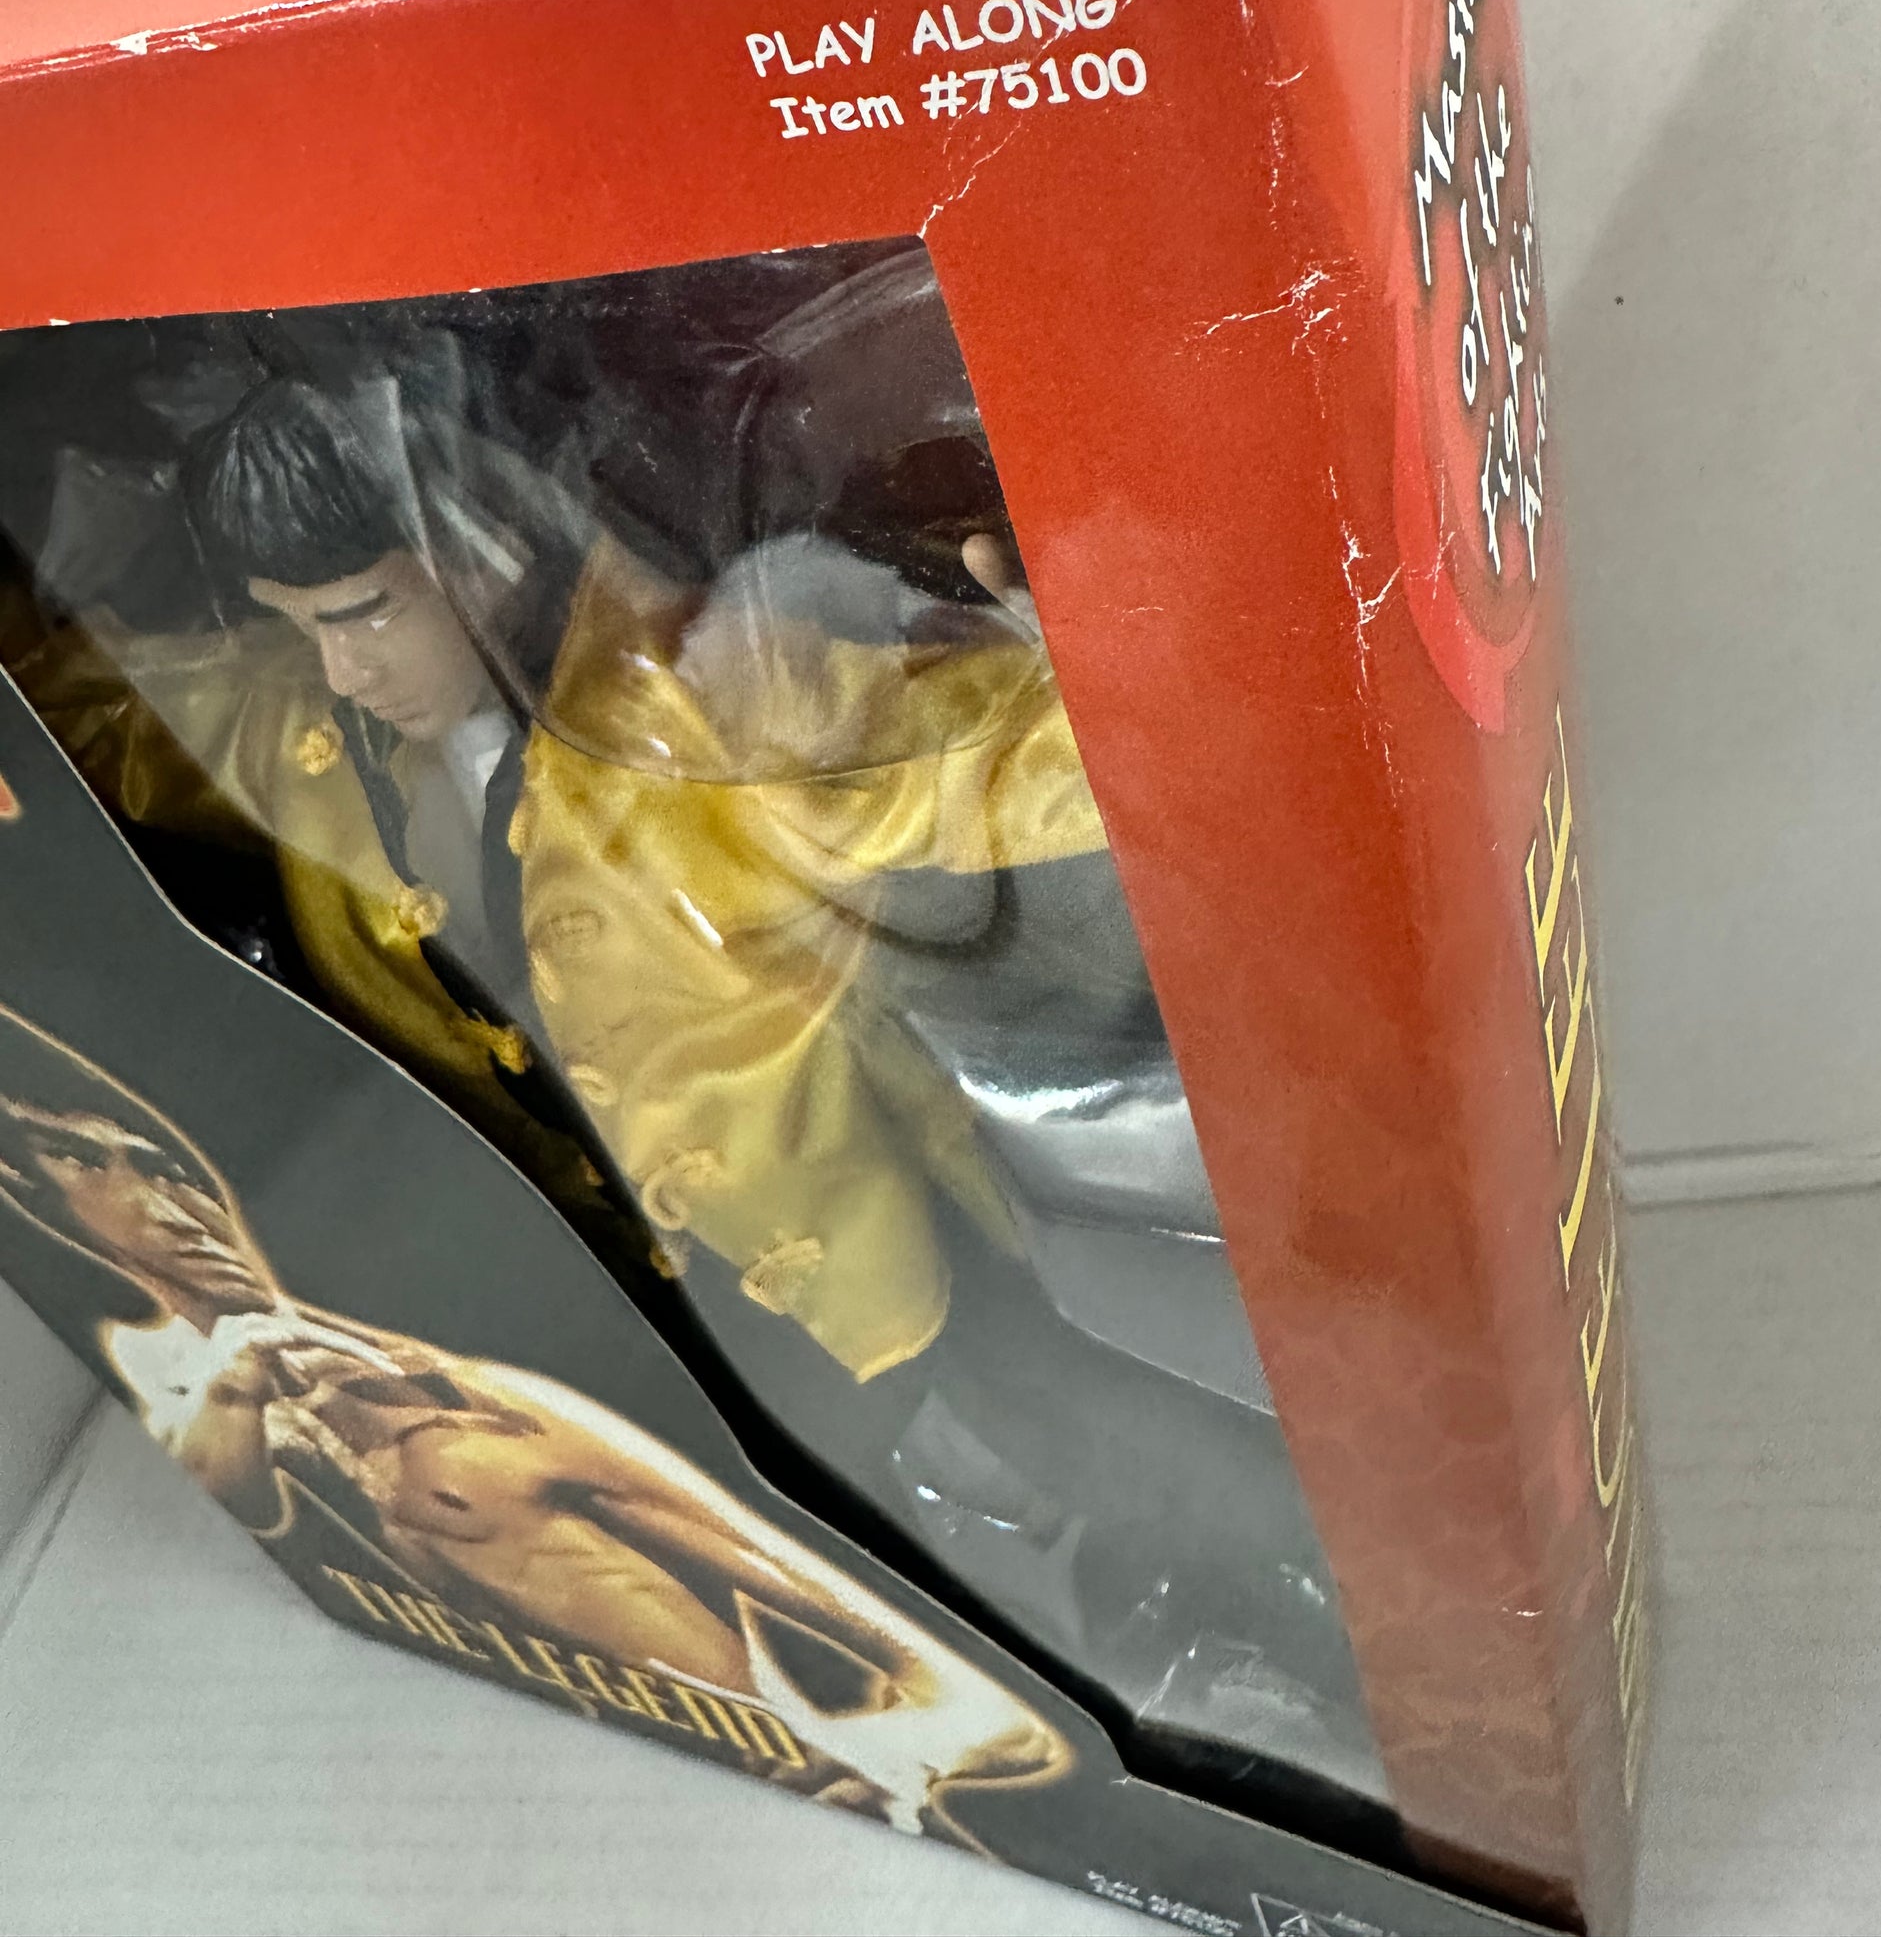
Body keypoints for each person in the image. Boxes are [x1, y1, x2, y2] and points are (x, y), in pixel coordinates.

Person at [1, 322, 1389, 1809]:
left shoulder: (688, 721)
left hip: (834, 1249)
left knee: (1070, 1433)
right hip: (600, 1295)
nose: (342, 664)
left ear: (477, 552)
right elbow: (109, 716)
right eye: (301, 623)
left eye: (365, 610)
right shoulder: (313, 734)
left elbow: (977, 764)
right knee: (817, 1545)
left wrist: (1110, 643)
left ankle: (1330, 1659)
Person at [0, 1004, 1066, 1837]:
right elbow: (232, 1473)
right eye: (88, 1163)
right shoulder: (207, 1405)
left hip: (792, 1805)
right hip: (535, 1792)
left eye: (163, 1164)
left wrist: (899, 1752)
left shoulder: (490, 1415)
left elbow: (974, 1700)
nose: (170, 1205)